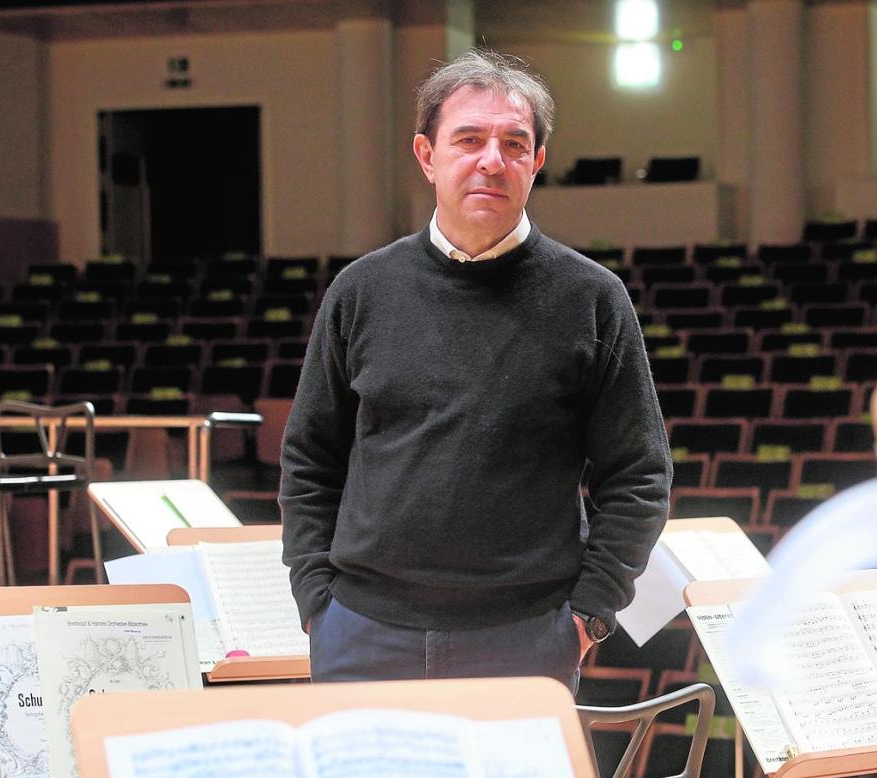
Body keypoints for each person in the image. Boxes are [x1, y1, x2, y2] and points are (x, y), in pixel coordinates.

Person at [279, 48, 671, 690]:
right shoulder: (361, 291)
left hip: (524, 639)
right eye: (468, 139)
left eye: (515, 144)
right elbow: (311, 459)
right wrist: (317, 602)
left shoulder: (592, 298)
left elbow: (639, 473)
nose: (493, 160)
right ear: (426, 155)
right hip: (362, 634)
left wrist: (590, 613)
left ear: (537, 163)